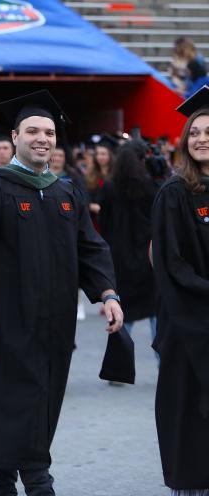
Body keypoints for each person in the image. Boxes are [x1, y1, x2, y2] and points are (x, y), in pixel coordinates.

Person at [0, 90, 124, 496]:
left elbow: (90, 247)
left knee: (40, 407)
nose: (43, 138)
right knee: (14, 408)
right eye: (33, 130)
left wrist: (107, 293)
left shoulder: (65, 192)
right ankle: (40, 482)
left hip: (55, 330)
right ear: (15, 137)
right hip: (4, 328)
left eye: (49, 132)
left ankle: (2, 481)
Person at [150, 87, 209, 495]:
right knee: (189, 419)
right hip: (190, 326)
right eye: (195, 133)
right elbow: (172, 264)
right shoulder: (174, 194)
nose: (202, 138)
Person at [97, 141, 156, 342]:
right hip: (147, 257)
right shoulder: (149, 185)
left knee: (123, 314)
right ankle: (162, 364)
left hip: (119, 257)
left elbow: (102, 222)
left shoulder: (110, 187)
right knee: (156, 314)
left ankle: (120, 362)